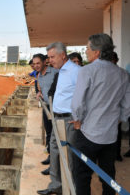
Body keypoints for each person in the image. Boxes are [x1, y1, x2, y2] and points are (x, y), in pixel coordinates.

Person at [71, 33, 130, 195]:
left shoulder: (87, 71)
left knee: (82, 175)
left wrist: (77, 120)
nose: (86, 52)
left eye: (87, 48)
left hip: (87, 133)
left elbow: (77, 102)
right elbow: (127, 105)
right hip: (110, 135)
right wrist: (119, 120)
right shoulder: (123, 74)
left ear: (97, 52)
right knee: (108, 175)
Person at [37, 42, 80, 195]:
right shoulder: (60, 71)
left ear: (63, 55)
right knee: (54, 151)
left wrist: (79, 118)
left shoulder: (76, 71)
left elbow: (85, 96)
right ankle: (56, 184)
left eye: (52, 57)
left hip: (69, 120)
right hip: (57, 119)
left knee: (69, 156)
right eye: (48, 57)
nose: (50, 60)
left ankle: (70, 188)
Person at [33, 54, 59, 173]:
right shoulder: (39, 76)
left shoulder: (55, 72)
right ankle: (50, 157)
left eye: (38, 63)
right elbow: (39, 89)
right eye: (34, 64)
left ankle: (55, 165)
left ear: (44, 62)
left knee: (56, 136)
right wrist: (38, 93)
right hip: (46, 108)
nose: (36, 66)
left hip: (56, 110)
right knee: (49, 134)